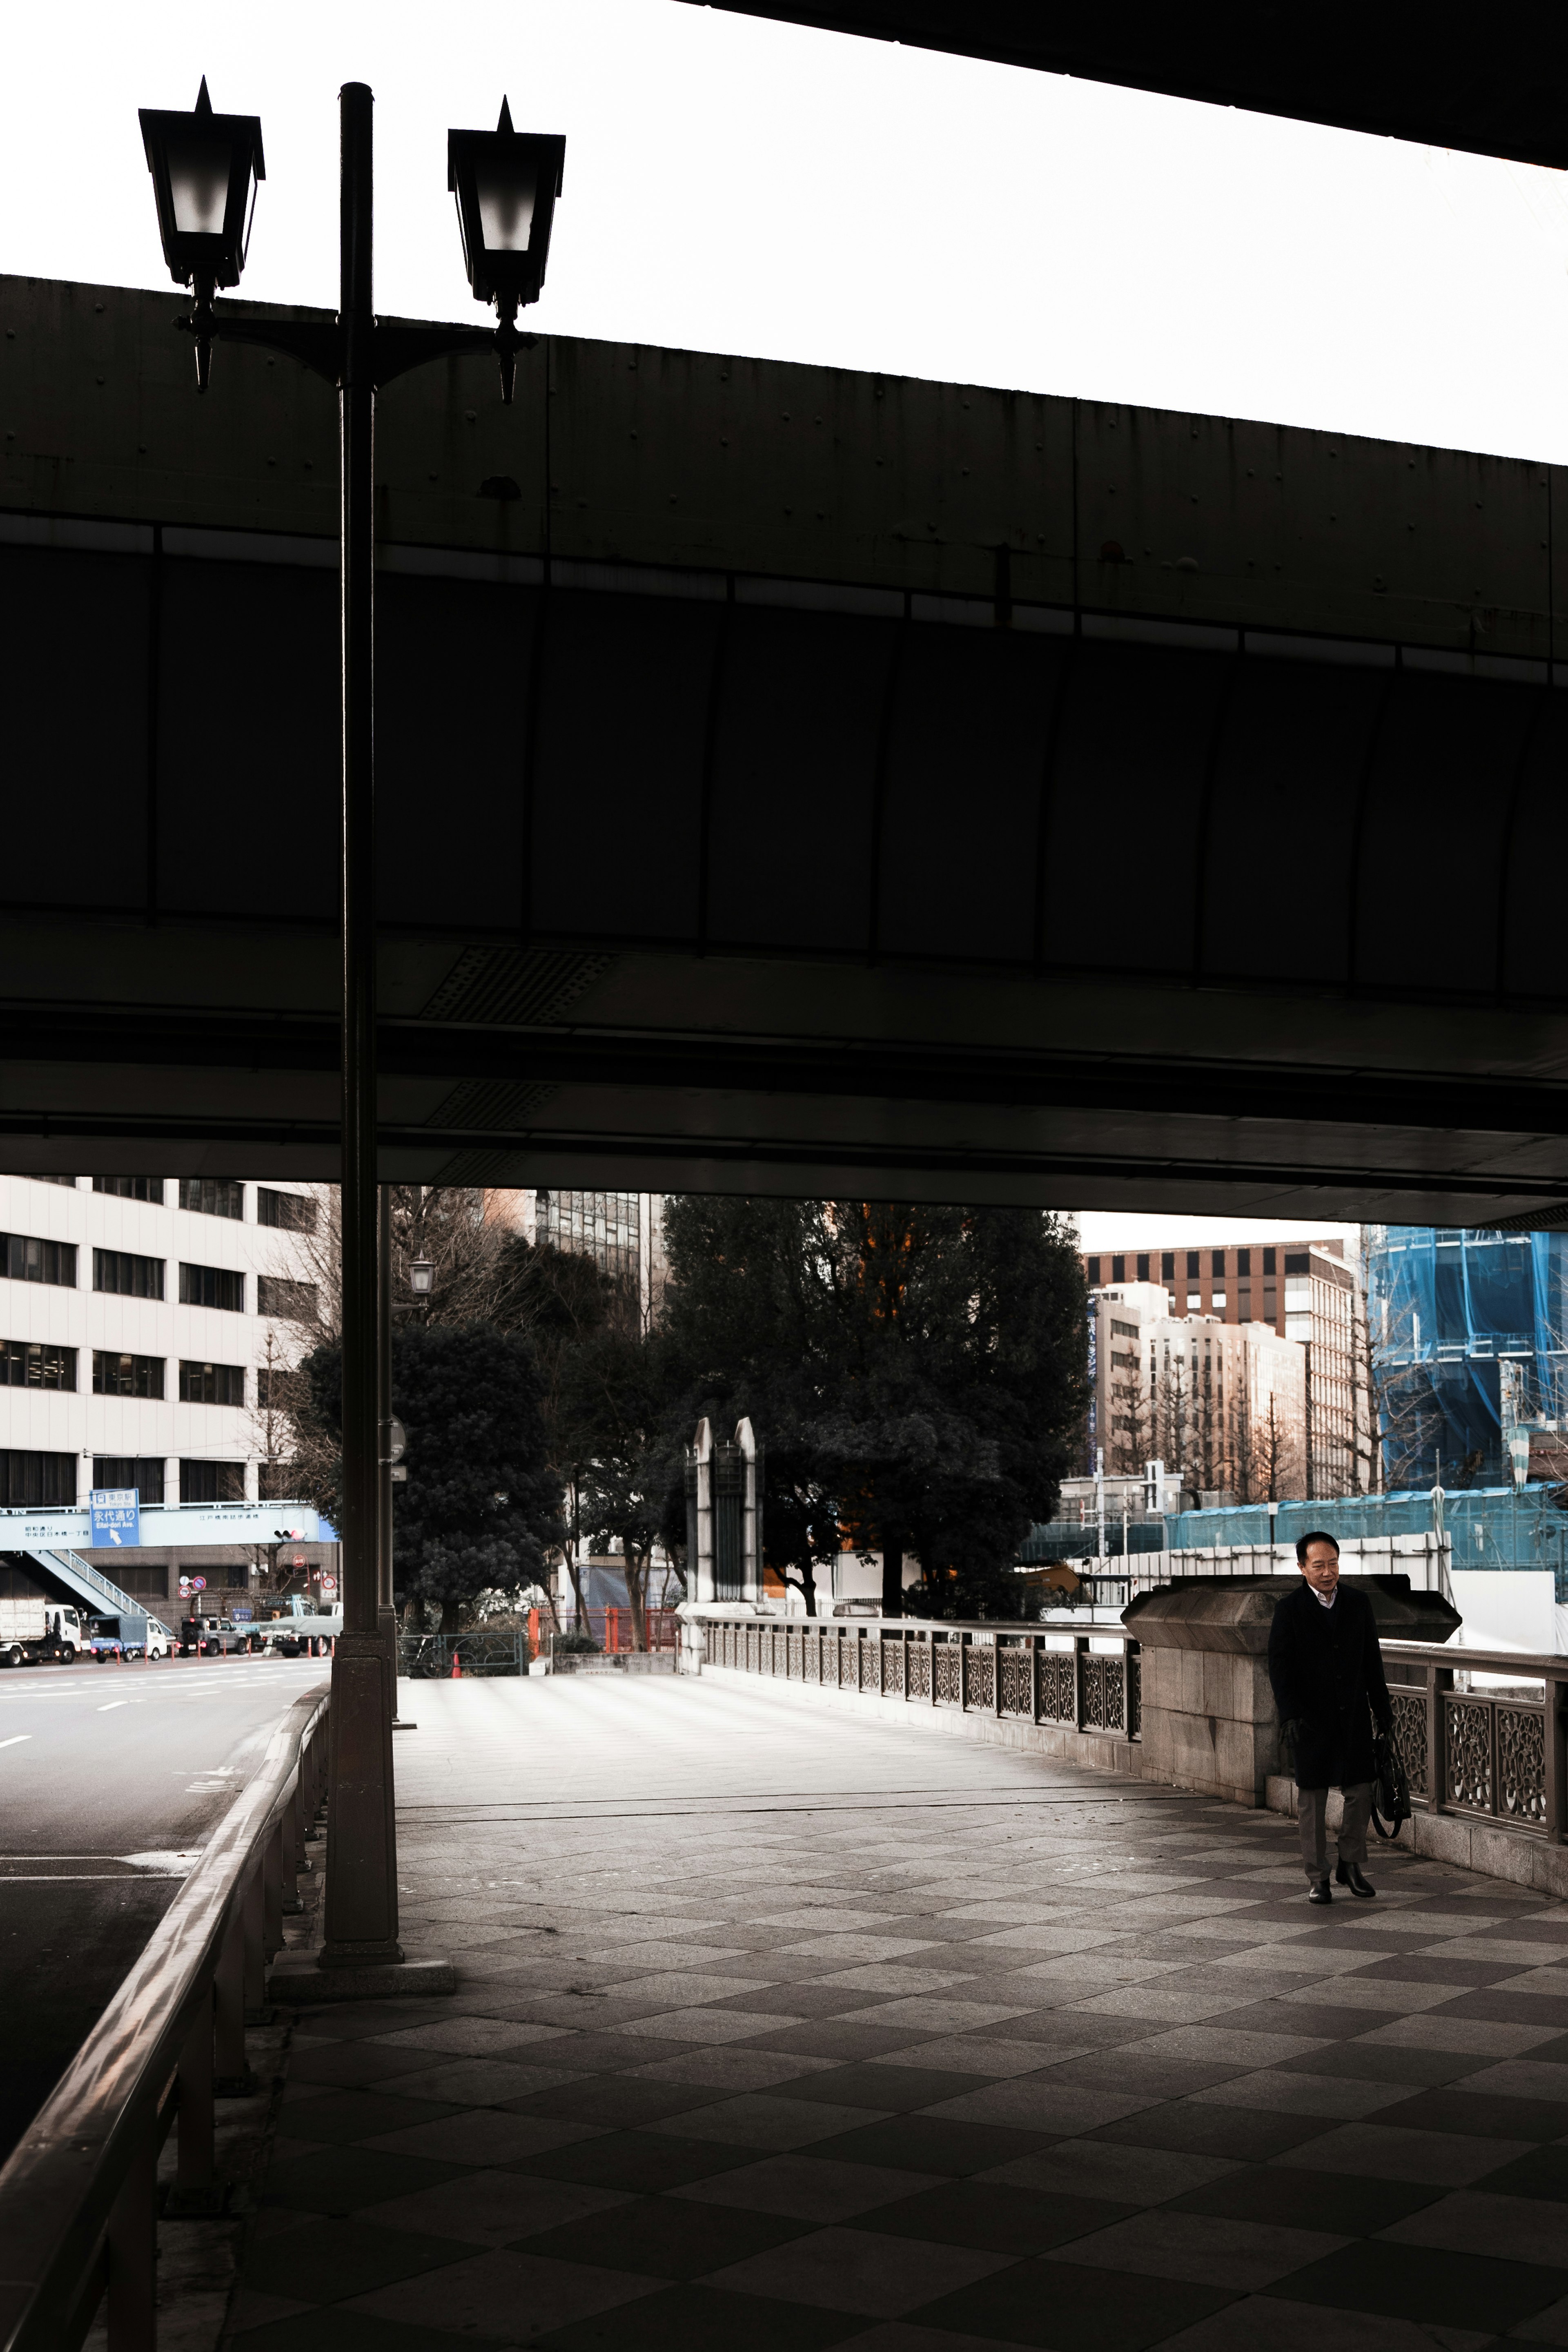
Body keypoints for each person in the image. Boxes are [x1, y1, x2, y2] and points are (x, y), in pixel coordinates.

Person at [1267, 1529, 1392, 1904]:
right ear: (1302, 1567)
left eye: (1333, 1563)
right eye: (1318, 1565)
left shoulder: (1357, 1603)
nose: (1327, 1571)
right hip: (1310, 1720)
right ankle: (1318, 1876)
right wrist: (1289, 1715)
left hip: (1352, 1715)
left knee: (1361, 1790)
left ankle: (1351, 1862)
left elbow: (1372, 1659)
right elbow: (1280, 1667)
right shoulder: (1289, 1610)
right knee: (1312, 1801)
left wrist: (1382, 1709)